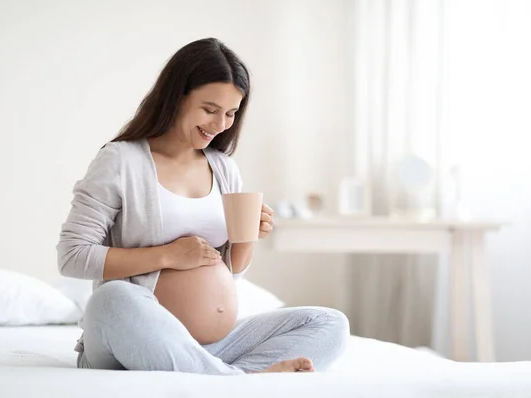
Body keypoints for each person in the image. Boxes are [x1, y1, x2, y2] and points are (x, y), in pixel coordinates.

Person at [56, 37, 349, 375]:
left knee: (329, 322)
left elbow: (232, 271)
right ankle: (234, 380)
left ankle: (217, 374)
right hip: (133, 339)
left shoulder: (223, 167)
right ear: (177, 97)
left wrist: (247, 235)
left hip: (212, 348)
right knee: (112, 301)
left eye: (231, 113)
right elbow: (72, 256)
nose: (220, 124)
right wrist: (168, 255)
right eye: (209, 110)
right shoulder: (122, 160)